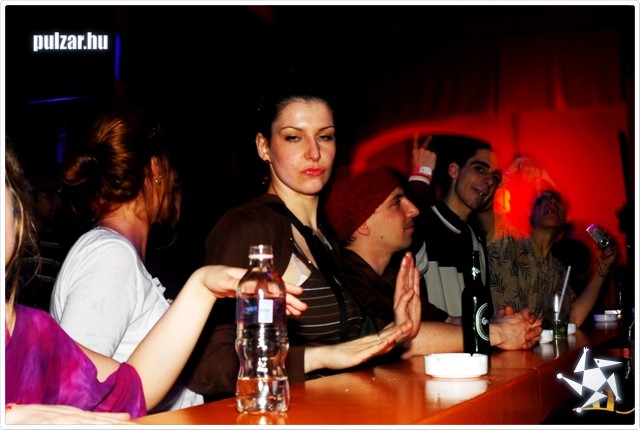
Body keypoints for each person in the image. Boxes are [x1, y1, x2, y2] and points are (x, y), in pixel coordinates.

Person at [5, 142, 297, 424]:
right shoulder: (109, 254)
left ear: (17, 212)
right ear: (157, 169)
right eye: (176, 179)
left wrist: (202, 287)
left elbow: (121, 390)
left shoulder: (28, 329)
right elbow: (75, 408)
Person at [184, 77, 419, 401]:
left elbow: (340, 353)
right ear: (264, 147)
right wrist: (318, 357)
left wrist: (391, 334)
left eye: (325, 136)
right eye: (294, 137)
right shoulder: (251, 227)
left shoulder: (324, 237)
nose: (314, 153)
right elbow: (207, 367)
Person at [48, 108, 200, 412]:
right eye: (173, 173)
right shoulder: (110, 256)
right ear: (155, 168)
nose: (173, 183)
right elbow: (72, 388)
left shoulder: (118, 253)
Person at [324, 166, 542, 356]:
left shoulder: (390, 275)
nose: (414, 210)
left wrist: (499, 323)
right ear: (363, 224)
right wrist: (497, 334)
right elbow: (399, 340)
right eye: (397, 203)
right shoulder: (344, 281)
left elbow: (445, 322)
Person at [487, 188, 618, 327]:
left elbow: (573, 318)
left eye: (557, 200)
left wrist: (602, 270)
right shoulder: (505, 244)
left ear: (566, 217)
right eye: (542, 199)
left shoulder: (557, 271)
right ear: (530, 212)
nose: (552, 202)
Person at [407, 134, 502, 322]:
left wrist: (497, 323)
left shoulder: (476, 236)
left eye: (494, 177)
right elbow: (397, 293)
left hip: (469, 341)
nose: (489, 180)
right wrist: (420, 176)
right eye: (479, 168)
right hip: (430, 341)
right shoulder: (423, 222)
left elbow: (480, 309)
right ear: (454, 171)